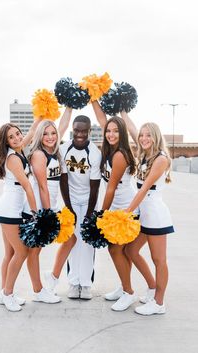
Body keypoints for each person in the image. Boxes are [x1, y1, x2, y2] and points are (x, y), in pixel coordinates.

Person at [121, 111, 174, 315]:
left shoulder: (161, 159)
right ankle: (153, 288)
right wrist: (123, 112)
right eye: (142, 135)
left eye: (148, 135)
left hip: (156, 215)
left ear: (156, 137)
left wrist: (127, 212)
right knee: (131, 251)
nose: (143, 138)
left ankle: (158, 303)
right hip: (145, 213)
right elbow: (133, 131)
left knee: (159, 260)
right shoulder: (145, 155)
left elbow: (143, 190)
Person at [23, 107, 76, 300]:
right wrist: (46, 216)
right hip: (39, 208)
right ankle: (38, 291)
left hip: (51, 206)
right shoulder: (39, 155)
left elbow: (62, 125)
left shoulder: (54, 152)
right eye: (45, 133)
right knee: (34, 250)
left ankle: (52, 277)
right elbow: (43, 187)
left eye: (53, 133)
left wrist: (69, 108)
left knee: (70, 239)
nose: (51, 136)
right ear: (39, 135)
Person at [92, 101, 139, 311]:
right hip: (119, 209)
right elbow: (103, 119)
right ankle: (123, 287)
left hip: (125, 211)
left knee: (115, 250)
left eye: (115, 131)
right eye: (108, 131)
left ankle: (128, 292)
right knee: (122, 252)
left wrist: (101, 215)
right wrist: (93, 99)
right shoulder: (111, 150)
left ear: (122, 133)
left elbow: (110, 189)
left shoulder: (119, 155)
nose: (110, 134)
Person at [0, 120, 40, 312]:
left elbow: (28, 136)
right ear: (6, 142)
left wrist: (38, 119)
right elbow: (27, 186)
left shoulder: (18, 150)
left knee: (10, 254)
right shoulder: (13, 158)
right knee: (22, 252)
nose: (17, 138)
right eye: (11, 137)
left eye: (17, 134)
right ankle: (8, 293)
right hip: (9, 210)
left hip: (11, 209)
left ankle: (4, 292)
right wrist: (36, 215)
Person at [59, 115, 101, 299]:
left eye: (84, 131)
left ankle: (86, 284)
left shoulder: (95, 153)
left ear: (89, 131)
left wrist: (89, 214)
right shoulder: (64, 149)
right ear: (73, 129)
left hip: (90, 200)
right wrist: (69, 208)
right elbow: (63, 180)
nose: (80, 134)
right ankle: (73, 283)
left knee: (88, 242)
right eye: (77, 130)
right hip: (71, 199)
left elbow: (95, 186)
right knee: (72, 240)